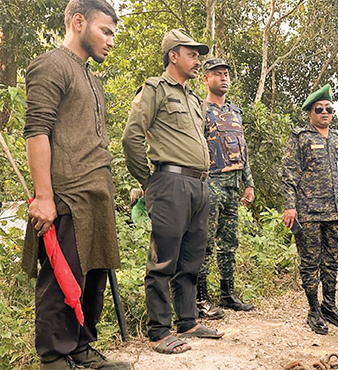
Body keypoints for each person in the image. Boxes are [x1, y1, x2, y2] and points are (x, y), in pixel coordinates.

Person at [23, 0, 130, 369]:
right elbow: (36, 131)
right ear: (79, 22)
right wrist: (44, 197)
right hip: (66, 196)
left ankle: (80, 348)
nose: (111, 41)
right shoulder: (51, 65)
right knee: (62, 279)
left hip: (96, 196)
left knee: (93, 275)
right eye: (106, 31)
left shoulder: (92, 78)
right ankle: (54, 358)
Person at [122, 29, 223, 355]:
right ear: (173, 56)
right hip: (170, 183)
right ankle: (158, 331)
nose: (197, 60)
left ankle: (187, 321)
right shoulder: (154, 90)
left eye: (198, 55)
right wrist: (149, 183)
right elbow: (131, 138)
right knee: (163, 260)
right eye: (192, 54)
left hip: (198, 184)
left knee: (191, 258)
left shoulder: (193, 99)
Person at [282, 84, 338, 335]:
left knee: (331, 262)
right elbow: (290, 174)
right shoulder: (300, 137)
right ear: (310, 112)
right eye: (319, 109)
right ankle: (313, 310)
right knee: (310, 263)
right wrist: (290, 206)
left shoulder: (337, 139)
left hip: (333, 212)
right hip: (309, 212)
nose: (325, 112)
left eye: (329, 109)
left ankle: (329, 306)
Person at [196, 57, 255, 319]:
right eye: (217, 74)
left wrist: (248, 183)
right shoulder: (199, 109)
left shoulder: (235, 112)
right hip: (211, 182)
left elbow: (243, 149)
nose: (224, 78)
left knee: (229, 242)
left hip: (233, 184)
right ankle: (200, 298)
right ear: (206, 79)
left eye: (226, 74)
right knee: (205, 242)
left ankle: (227, 293)